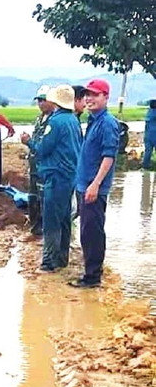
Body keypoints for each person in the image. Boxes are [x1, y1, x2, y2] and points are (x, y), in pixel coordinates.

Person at [71, 79, 119, 288]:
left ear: (105, 97)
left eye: (95, 94)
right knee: (86, 230)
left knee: (92, 231)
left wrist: (96, 184)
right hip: (84, 184)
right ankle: (90, 272)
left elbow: (109, 156)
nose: (89, 98)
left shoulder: (108, 123)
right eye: (87, 95)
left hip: (93, 187)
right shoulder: (92, 119)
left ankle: (92, 277)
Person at [33, 85, 82, 272]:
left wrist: (29, 142)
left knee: (51, 220)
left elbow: (43, 149)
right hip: (70, 175)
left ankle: (48, 263)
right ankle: (62, 259)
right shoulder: (73, 120)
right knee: (64, 219)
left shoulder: (55, 122)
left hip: (56, 175)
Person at [20, 85, 55, 236]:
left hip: (44, 167)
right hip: (35, 165)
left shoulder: (53, 121)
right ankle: (35, 227)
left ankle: (42, 228)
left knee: (43, 199)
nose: (40, 103)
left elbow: (44, 146)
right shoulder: (39, 119)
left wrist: (29, 142)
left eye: (43, 100)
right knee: (33, 197)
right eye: (39, 100)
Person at [143, 100, 156, 170]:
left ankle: (145, 167)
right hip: (154, 135)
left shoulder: (149, 112)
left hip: (147, 136)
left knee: (148, 151)